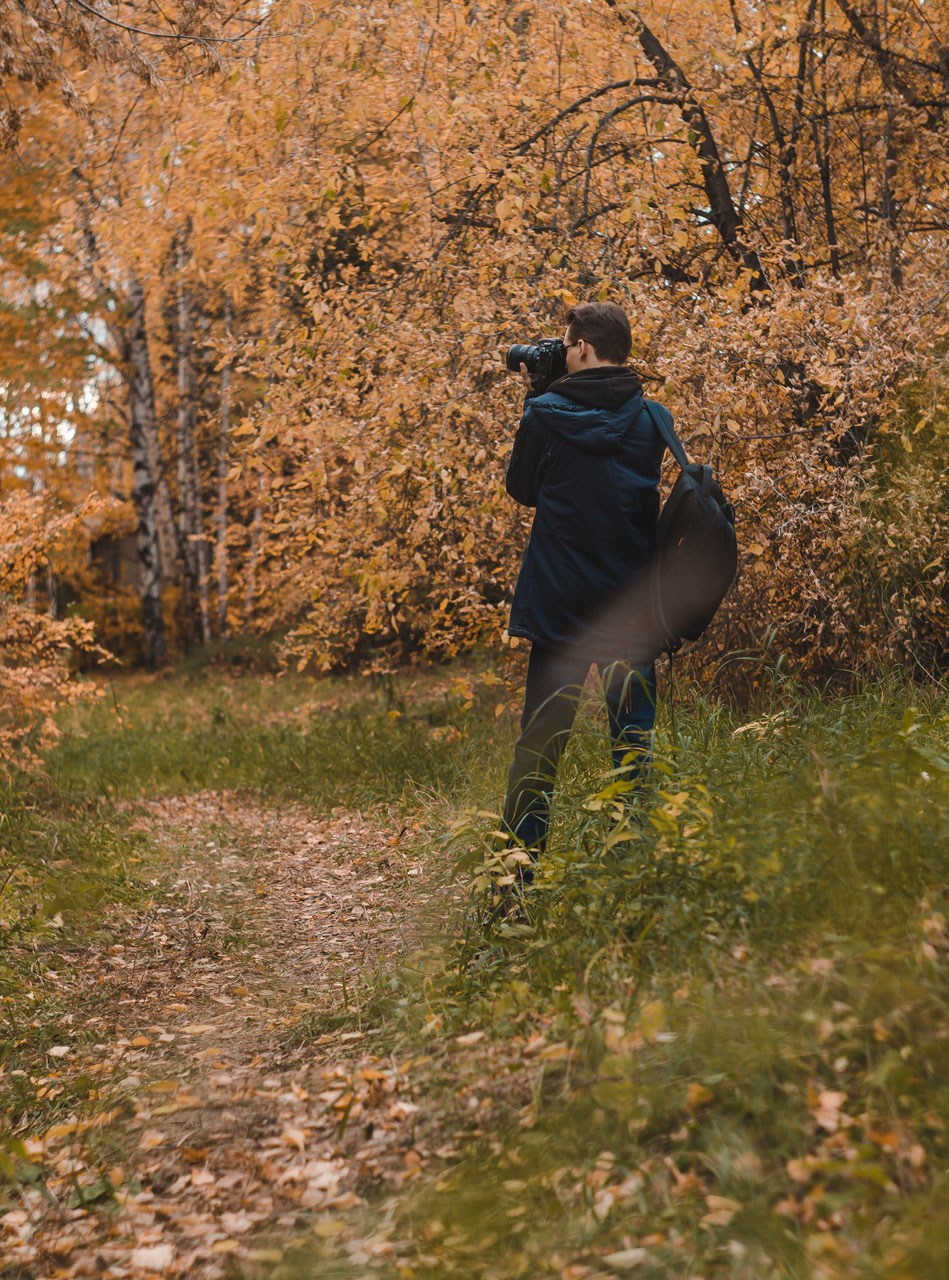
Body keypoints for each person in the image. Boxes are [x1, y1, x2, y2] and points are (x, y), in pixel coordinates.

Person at [500, 301, 671, 877]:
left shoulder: (544, 415)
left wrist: (536, 398)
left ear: (581, 349)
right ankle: (633, 873)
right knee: (633, 747)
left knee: (540, 749)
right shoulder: (654, 418)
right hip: (630, 610)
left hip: (560, 608)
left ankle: (516, 880)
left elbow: (521, 489)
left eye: (567, 344)